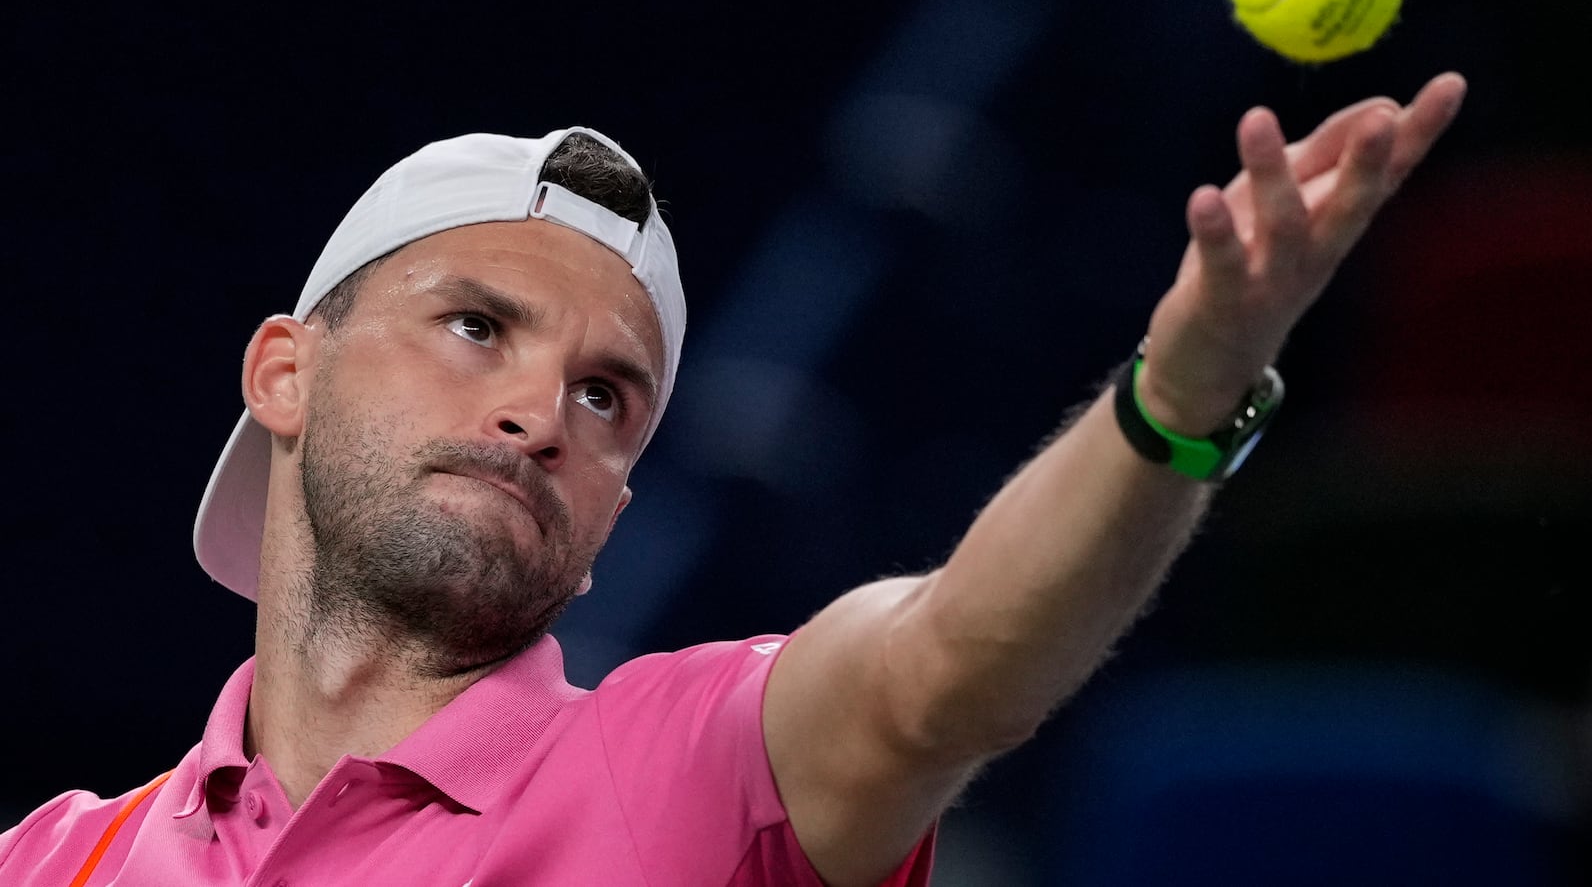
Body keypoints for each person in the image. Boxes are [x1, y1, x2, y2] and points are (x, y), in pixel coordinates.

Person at [0, 72, 1467, 887]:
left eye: (606, 396)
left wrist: (1181, 392)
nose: (541, 412)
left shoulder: (688, 769)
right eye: (475, 327)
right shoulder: (60, 863)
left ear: (608, 524)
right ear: (286, 376)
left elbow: (946, 665)